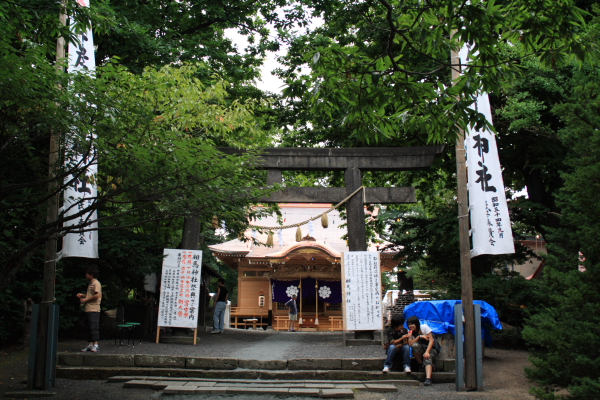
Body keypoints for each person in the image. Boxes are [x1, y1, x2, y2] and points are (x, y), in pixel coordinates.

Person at [407, 315, 440, 386]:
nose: (411, 326)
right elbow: (410, 344)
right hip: (420, 348)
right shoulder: (410, 332)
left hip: (431, 348)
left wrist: (427, 352)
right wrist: (419, 337)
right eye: (409, 324)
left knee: (427, 357)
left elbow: (431, 341)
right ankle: (421, 365)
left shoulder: (424, 327)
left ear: (416, 324)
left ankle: (428, 379)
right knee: (414, 345)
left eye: (412, 324)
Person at [77, 267, 102, 352]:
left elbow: (97, 295)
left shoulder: (96, 283)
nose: (86, 275)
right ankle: (90, 344)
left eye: (87, 273)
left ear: (91, 275)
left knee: (93, 327)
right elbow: (91, 295)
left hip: (94, 309)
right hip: (88, 308)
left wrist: (85, 300)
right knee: (88, 327)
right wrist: (83, 295)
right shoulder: (91, 283)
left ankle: (96, 344)